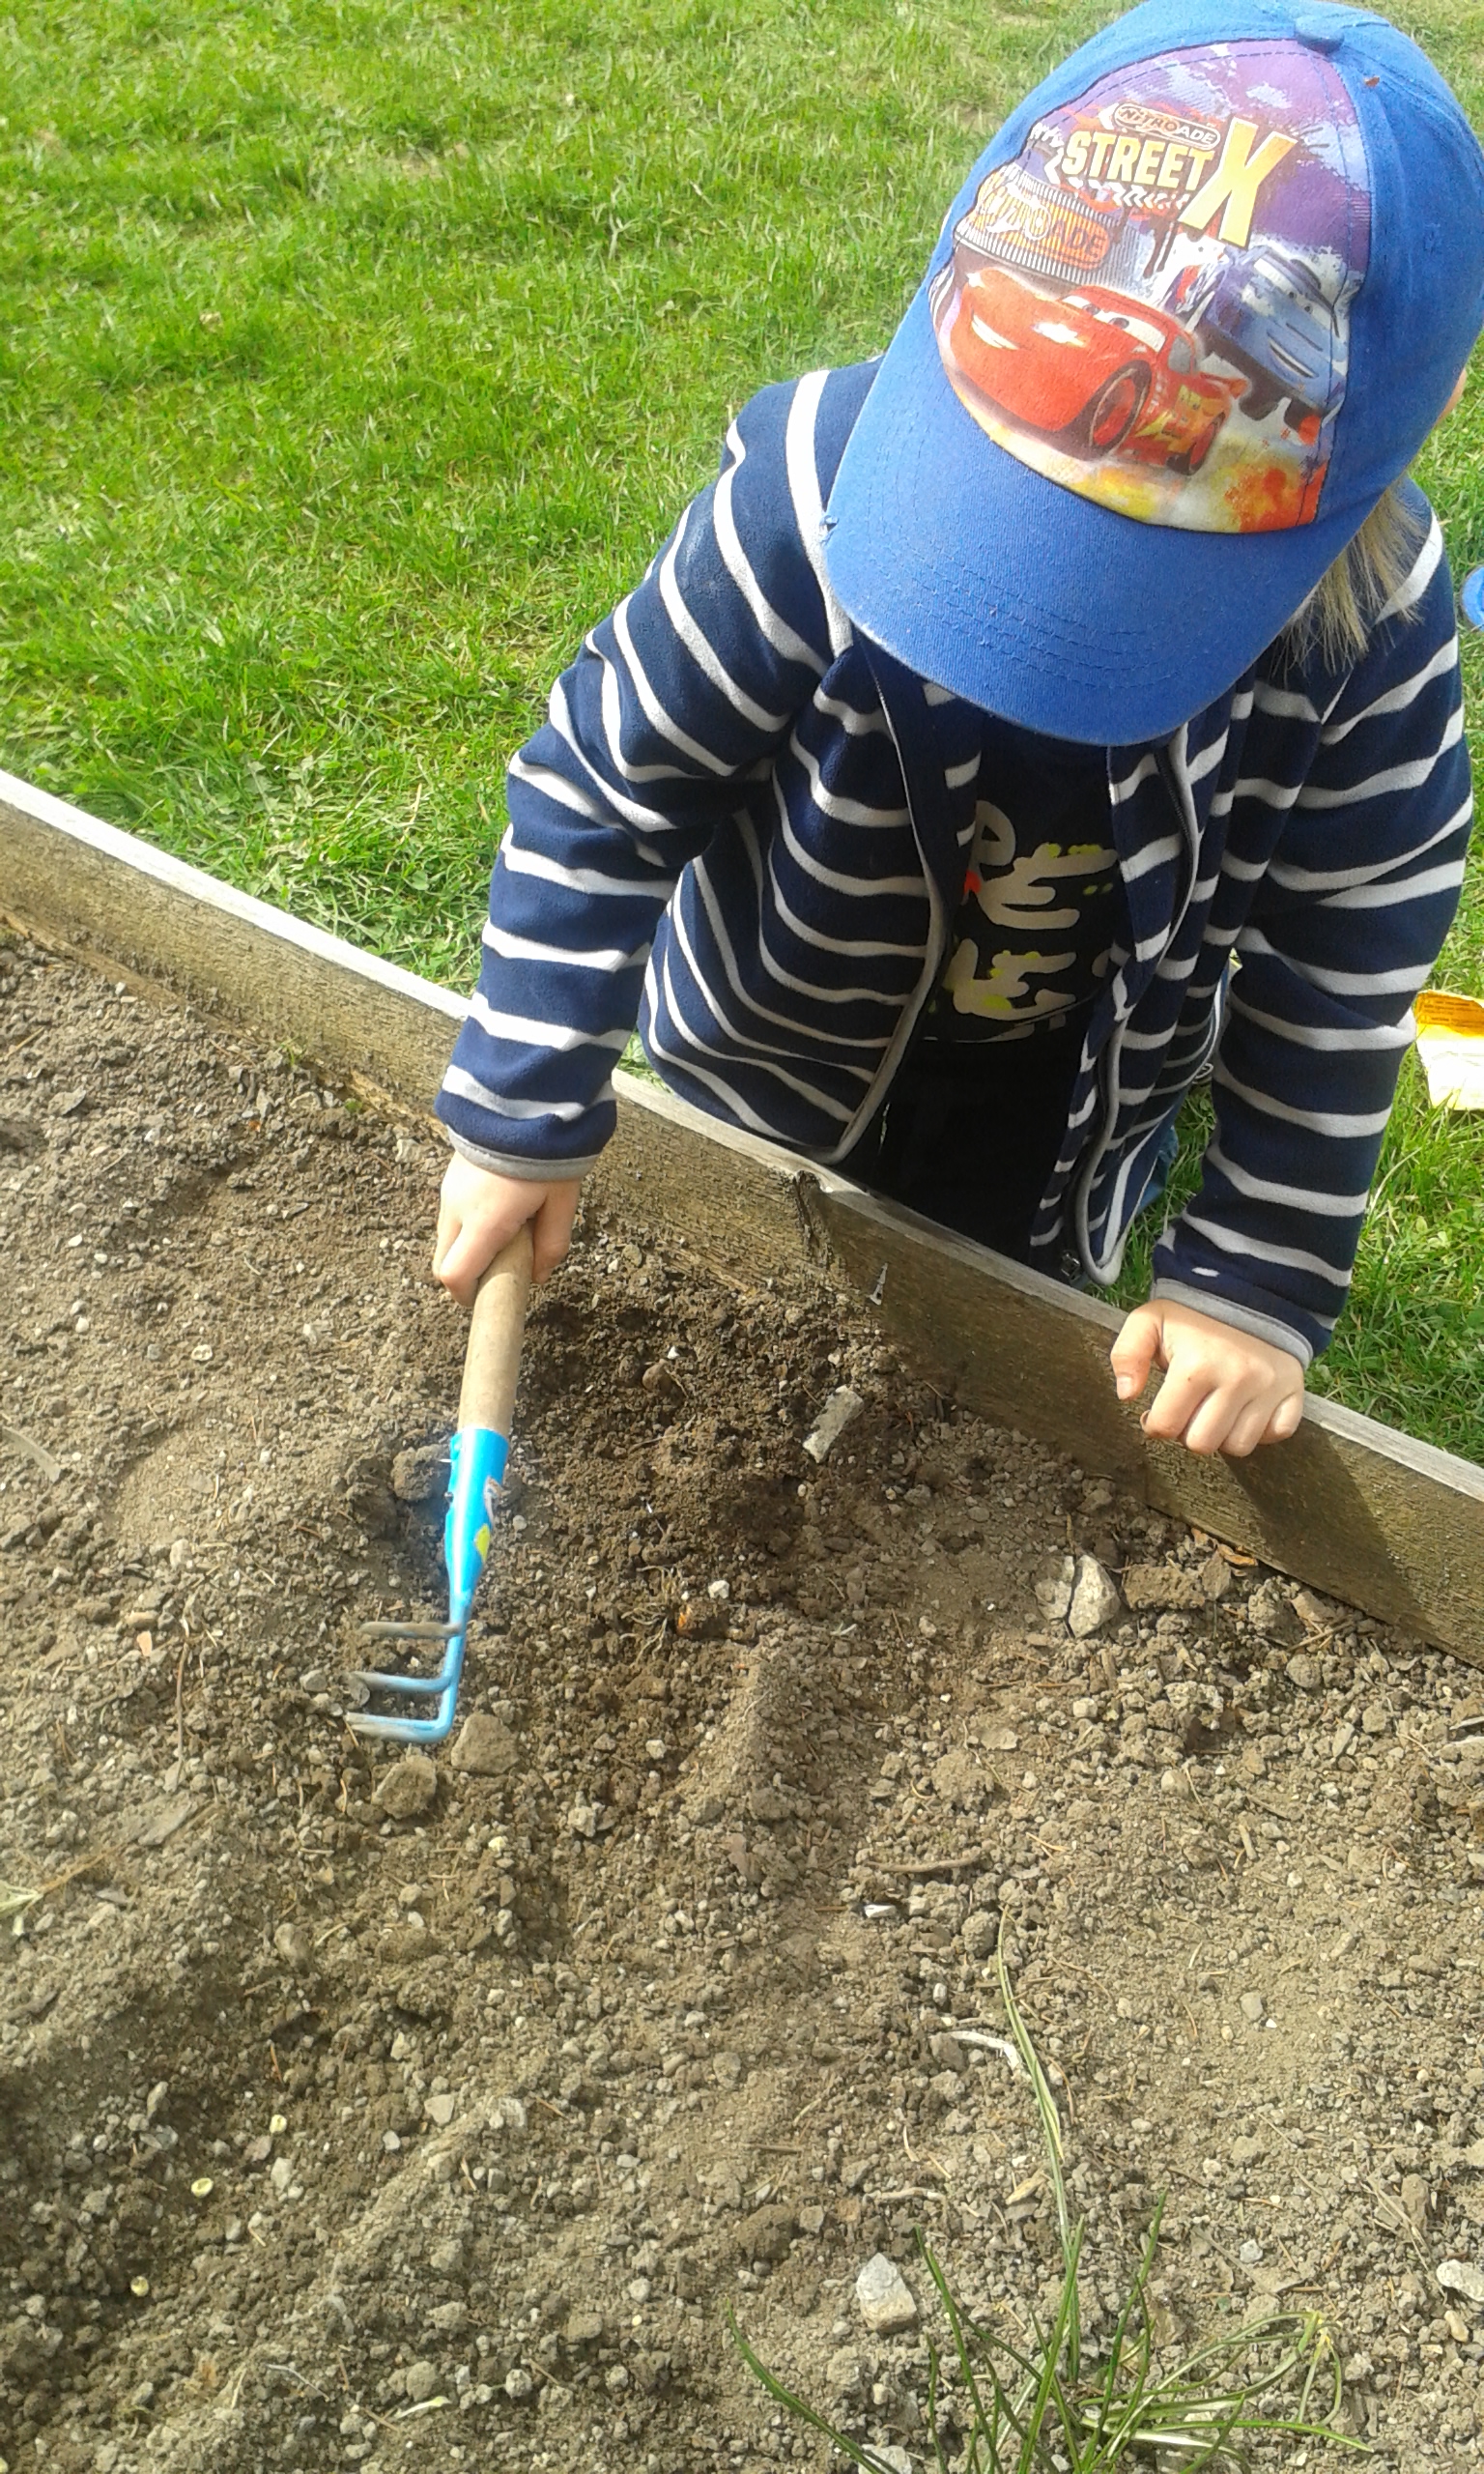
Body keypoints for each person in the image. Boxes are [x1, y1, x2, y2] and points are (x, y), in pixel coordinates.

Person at [431, 0, 1484, 1459]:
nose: (1043, 647)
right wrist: (525, 1100)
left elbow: (1341, 968)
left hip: (1068, 1102)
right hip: (765, 1063)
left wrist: (1254, 1278)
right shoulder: (812, 487)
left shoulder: (1370, 634)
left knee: (1004, 1285)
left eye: (1136, 591)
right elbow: (610, 786)